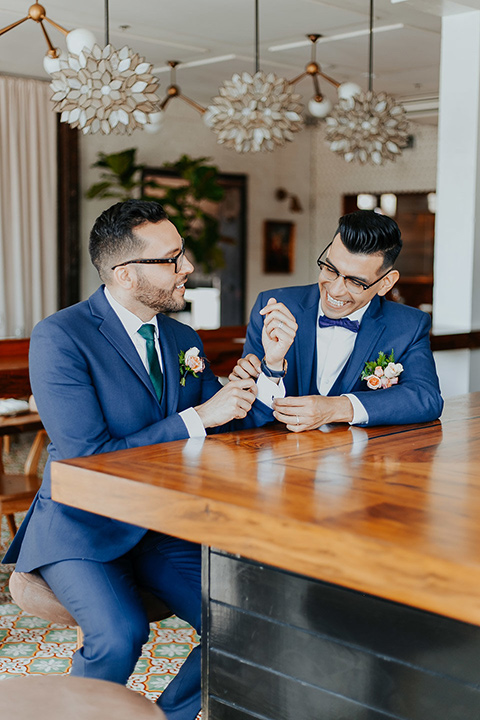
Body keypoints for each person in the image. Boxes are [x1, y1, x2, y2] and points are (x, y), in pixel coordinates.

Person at [3, 200, 272, 720]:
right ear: (126, 274)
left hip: (160, 523)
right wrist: (197, 418)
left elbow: (228, 418)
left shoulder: (181, 338)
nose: (188, 268)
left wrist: (272, 367)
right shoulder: (61, 336)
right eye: (172, 259)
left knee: (249, 621)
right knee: (120, 634)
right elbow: (86, 455)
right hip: (80, 524)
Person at [231, 210, 443, 429]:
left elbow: (426, 398)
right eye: (331, 269)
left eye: (355, 282)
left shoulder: (409, 326)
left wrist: (337, 408)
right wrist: (270, 371)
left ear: (386, 283)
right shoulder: (275, 306)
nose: (335, 290)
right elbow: (244, 407)